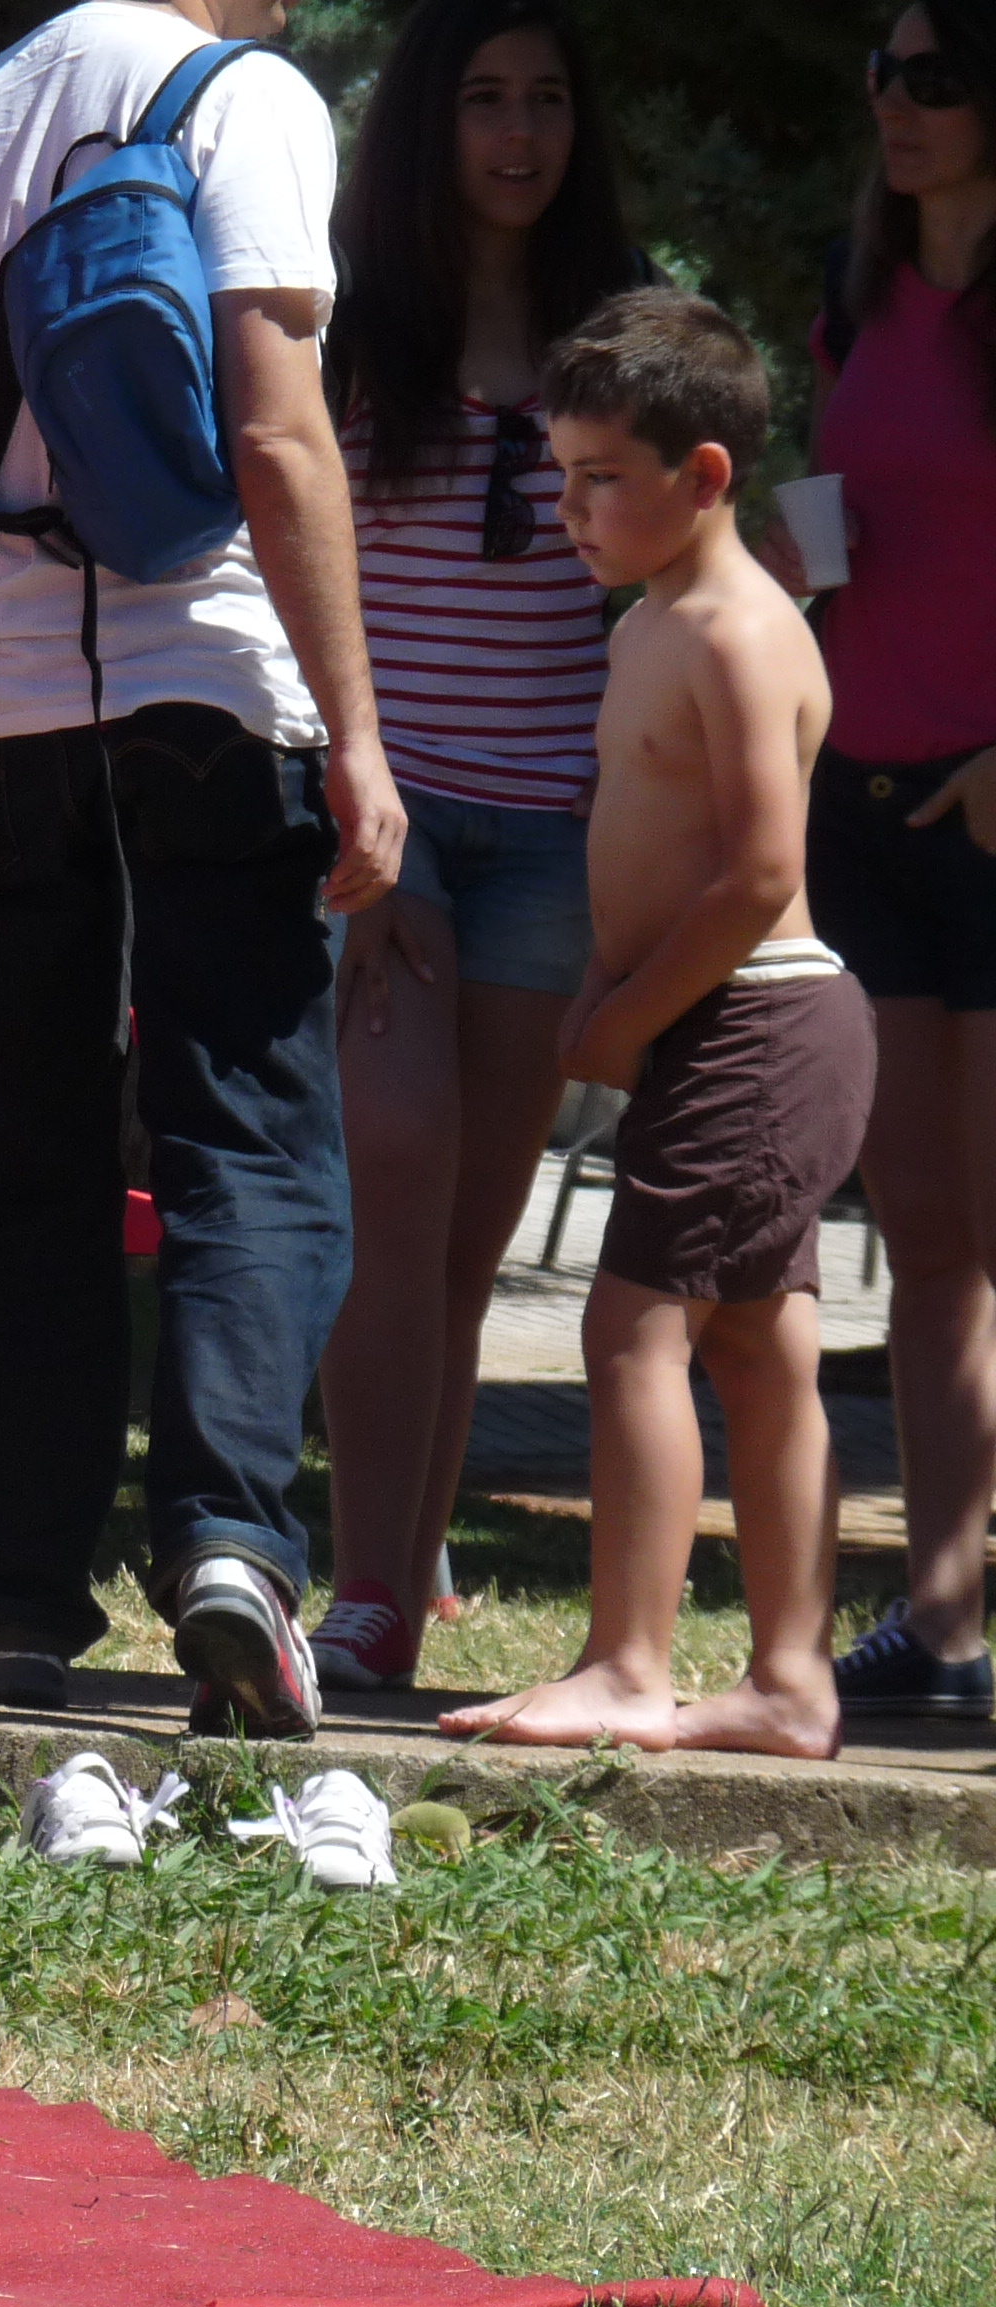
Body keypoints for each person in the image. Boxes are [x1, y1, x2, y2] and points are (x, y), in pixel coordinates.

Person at [0, 0, 404, 1736]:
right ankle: (231, 1551)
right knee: (240, 1134)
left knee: (24, 1155)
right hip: (210, 682)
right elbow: (276, 427)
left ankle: (16, 1602)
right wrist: (356, 730)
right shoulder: (244, 97)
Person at [441, 294, 864, 1758]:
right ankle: (790, 1682)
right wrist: (609, 991)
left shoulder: (739, 632)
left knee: (634, 1332)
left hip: (757, 1022)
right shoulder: (650, 625)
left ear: (705, 476)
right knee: (759, 1348)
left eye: (601, 477)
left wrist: (627, 1014)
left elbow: (756, 870)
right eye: (558, 475)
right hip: (720, 1022)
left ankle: (630, 1663)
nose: (569, 508)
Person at [307, 0, 645, 1693]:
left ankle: (394, 1600)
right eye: (486, 100)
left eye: (547, 100)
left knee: (464, 1244)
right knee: (396, 1168)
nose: (519, 134)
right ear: (429, 125)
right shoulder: (353, 325)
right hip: (393, 820)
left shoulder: (624, 339)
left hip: (552, 837)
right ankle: (361, 1587)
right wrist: (349, 813)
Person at [799, 3, 996, 1716]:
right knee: (926, 1243)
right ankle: (942, 1630)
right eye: (884, 73)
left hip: (987, 814)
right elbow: (830, 520)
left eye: (937, 78)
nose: (898, 105)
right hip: (858, 809)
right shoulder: (852, 296)